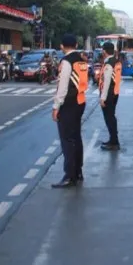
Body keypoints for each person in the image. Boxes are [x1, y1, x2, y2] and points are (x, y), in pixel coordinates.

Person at [51, 34, 89, 188]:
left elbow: (63, 86)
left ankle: (69, 176)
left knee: (67, 140)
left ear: (62, 46)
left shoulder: (66, 62)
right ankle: (78, 172)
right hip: (80, 101)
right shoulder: (81, 60)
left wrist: (56, 106)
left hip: (69, 103)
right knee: (76, 138)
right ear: (76, 44)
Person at [99, 42, 121, 150]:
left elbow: (106, 82)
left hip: (109, 94)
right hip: (115, 93)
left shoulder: (108, 64)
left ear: (104, 51)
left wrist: (103, 98)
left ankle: (114, 142)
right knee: (112, 117)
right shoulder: (116, 61)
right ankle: (113, 140)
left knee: (109, 118)